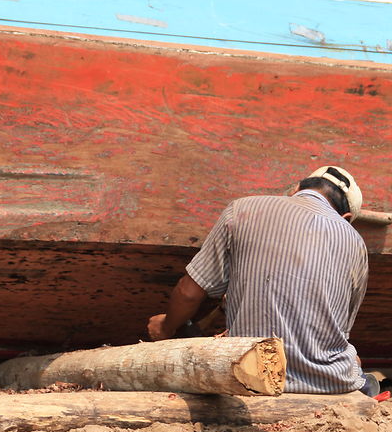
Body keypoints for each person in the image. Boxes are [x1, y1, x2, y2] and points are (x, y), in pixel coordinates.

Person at [147, 166, 378, 396]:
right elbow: (340, 331)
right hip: (327, 383)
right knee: (354, 361)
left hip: (252, 376)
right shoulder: (356, 243)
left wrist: (166, 327)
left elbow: (188, 293)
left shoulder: (241, 209)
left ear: (296, 189)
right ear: (346, 218)